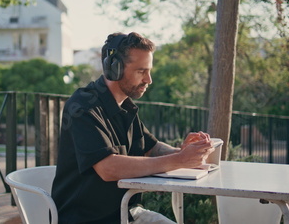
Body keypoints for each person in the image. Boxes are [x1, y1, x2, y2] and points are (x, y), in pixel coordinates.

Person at [51, 32, 214, 223]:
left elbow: (152, 148)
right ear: (114, 68)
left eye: (149, 71)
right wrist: (178, 160)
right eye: (141, 71)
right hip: (86, 219)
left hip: (125, 213)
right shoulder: (82, 107)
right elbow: (108, 168)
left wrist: (182, 152)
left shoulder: (125, 106)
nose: (149, 80)